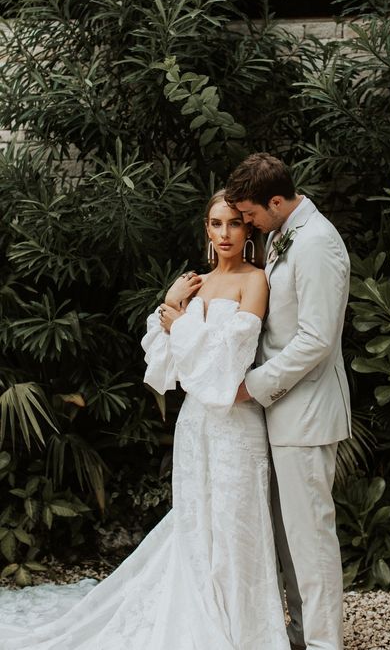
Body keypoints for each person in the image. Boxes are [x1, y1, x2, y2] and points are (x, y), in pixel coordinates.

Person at [0, 189, 290, 650]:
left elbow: (230, 357)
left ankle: (244, 631)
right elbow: (167, 363)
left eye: (234, 223)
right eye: (216, 224)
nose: (225, 233)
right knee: (196, 522)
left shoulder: (255, 281)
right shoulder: (193, 284)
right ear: (206, 231)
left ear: (248, 228)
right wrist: (168, 304)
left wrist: (179, 324)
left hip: (237, 420)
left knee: (238, 523)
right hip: (196, 420)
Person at [224, 153, 352, 650]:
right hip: (281, 413)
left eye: (250, 214)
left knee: (310, 539)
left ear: (276, 201)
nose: (245, 224)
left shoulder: (318, 243)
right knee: (287, 539)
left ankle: (323, 644)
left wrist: (253, 385)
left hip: (308, 413)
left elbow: (317, 338)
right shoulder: (282, 233)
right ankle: (300, 635)